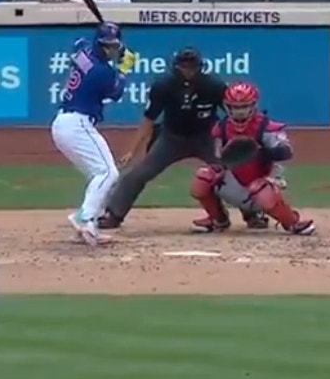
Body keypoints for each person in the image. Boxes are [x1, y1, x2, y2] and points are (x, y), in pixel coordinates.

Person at [99, 48, 271, 230]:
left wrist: (238, 138)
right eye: (184, 67)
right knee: (138, 174)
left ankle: (253, 213)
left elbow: (232, 114)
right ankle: (114, 214)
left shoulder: (213, 86)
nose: (188, 71)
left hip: (207, 136)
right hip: (172, 138)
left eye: (192, 67)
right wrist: (132, 150)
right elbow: (149, 119)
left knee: (232, 173)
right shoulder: (163, 86)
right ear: (176, 67)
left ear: (200, 67)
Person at [190, 82, 315, 235]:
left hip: (262, 183)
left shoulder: (266, 126)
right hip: (233, 182)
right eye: (235, 107)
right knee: (204, 176)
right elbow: (217, 159)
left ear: (253, 105)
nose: (239, 111)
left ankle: (292, 223)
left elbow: (286, 151)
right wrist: (220, 164)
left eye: (244, 107)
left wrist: (262, 153)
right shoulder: (221, 127)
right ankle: (218, 219)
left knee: (260, 189)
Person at [49, 23, 135, 247]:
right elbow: (115, 93)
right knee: (108, 173)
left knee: (99, 176)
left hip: (64, 124)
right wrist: (124, 69)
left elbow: (79, 44)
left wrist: (113, 45)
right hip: (77, 124)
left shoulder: (83, 53)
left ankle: (87, 227)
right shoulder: (102, 72)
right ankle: (83, 218)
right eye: (107, 46)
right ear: (99, 45)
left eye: (113, 46)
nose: (111, 50)